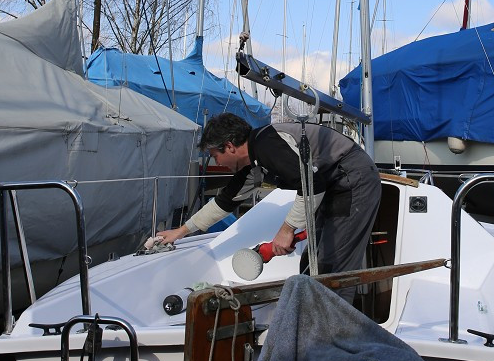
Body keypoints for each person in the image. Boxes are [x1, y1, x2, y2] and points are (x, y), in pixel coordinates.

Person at [156, 112, 381, 289]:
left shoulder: (267, 144)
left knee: (332, 265)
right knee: (312, 264)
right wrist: (182, 231)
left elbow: (312, 184)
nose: (218, 162)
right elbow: (224, 202)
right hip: (332, 185)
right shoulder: (252, 163)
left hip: (351, 179)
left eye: (215, 155)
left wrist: (287, 229)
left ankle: (331, 335)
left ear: (230, 146)